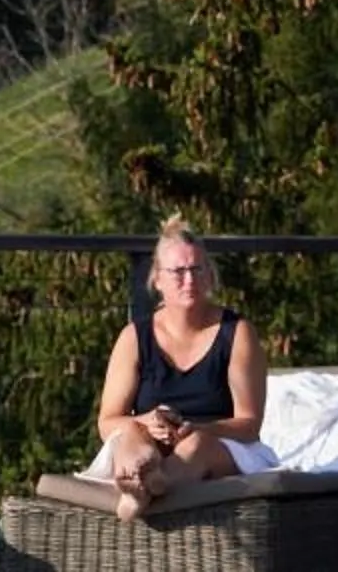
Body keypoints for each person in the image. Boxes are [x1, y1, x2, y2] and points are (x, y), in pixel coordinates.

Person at [95, 218, 274, 521]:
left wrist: (198, 428)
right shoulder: (134, 338)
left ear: (209, 276)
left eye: (196, 270)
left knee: (197, 445)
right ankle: (141, 480)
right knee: (131, 435)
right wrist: (146, 422)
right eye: (178, 272)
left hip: (217, 446)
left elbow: (249, 424)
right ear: (158, 279)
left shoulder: (237, 333)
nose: (189, 280)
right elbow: (107, 422)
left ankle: (152, 488)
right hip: (152, 444)